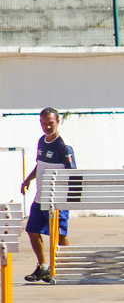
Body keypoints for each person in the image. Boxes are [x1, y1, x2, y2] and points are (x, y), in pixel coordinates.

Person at [21, 107, 76, 283]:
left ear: (58, 122)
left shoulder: (64, 145)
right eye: (44, 123)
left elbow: (72, 172)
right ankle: (43, 266)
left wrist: (67, 197)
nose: (47, 127)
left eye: (50, 123)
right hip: (40, 197)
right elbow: (40, 164)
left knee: (59, 234)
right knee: (32, 230)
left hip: (57, 199)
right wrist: (28, 180)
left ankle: (66, 267)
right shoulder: (41, 141)